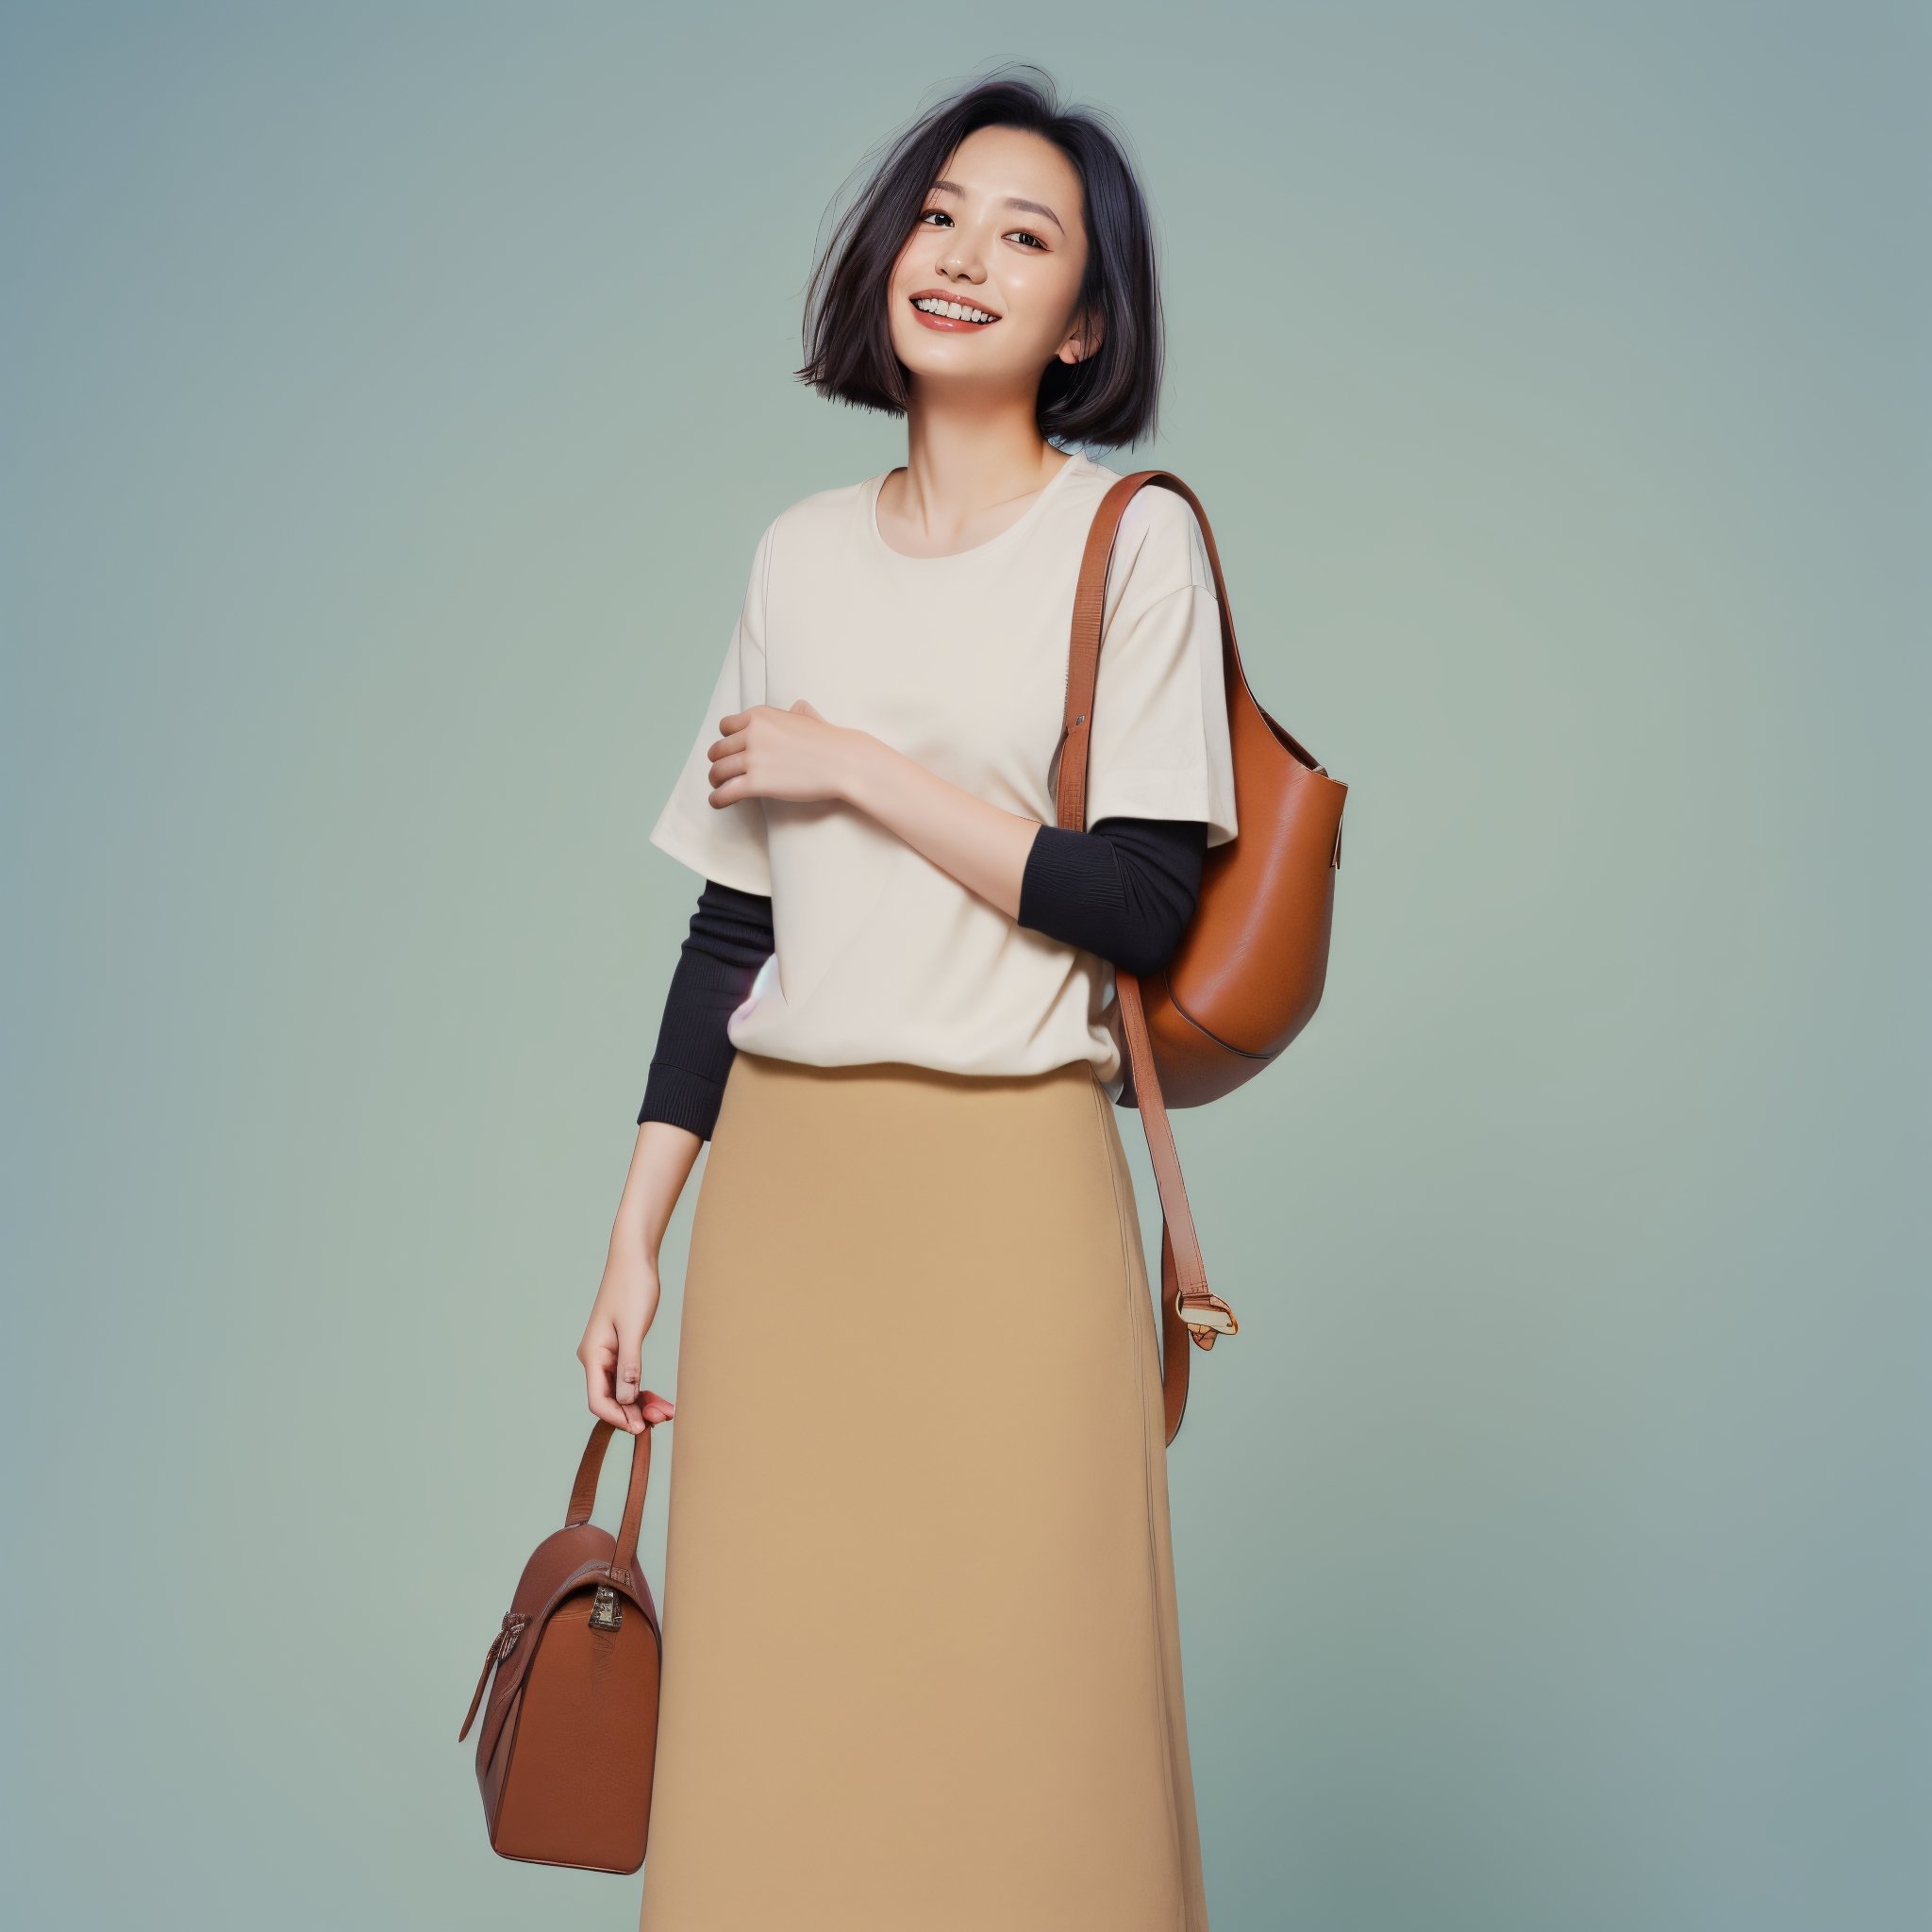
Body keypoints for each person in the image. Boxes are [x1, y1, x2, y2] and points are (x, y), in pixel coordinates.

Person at [579, 65, 1237, 1932]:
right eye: (941, 212)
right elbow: (730, 932)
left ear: (1083, 320)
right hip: (792, 1198)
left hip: (1012, 1178)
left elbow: (1135, 896)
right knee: (786, 1708)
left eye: (1023, 237)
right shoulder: (798, 551)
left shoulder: (1131, 545)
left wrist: (859, 765)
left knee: (1037, 1699)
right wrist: (634, 1240)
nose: (961, 255)